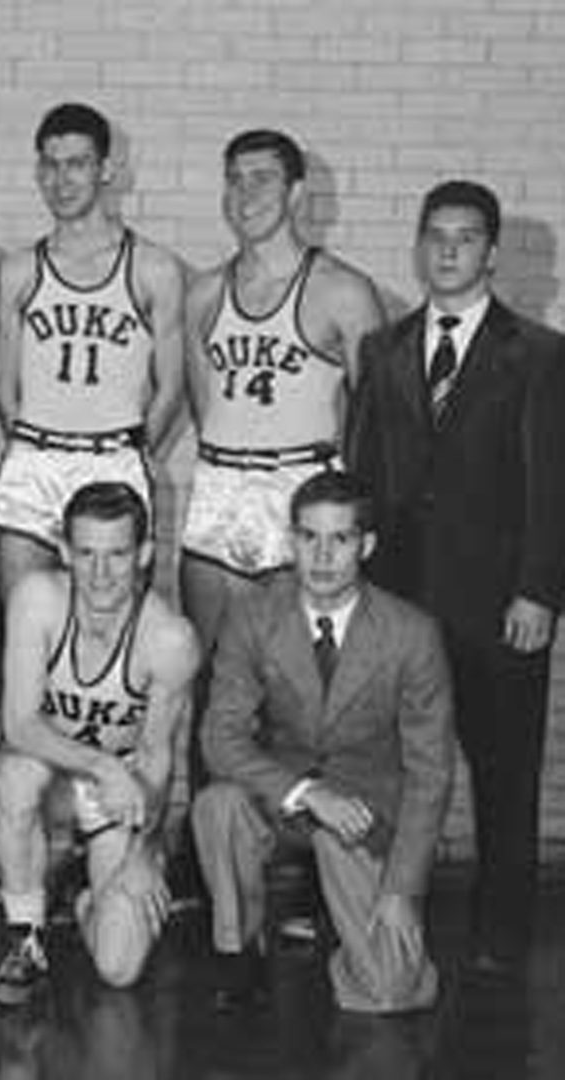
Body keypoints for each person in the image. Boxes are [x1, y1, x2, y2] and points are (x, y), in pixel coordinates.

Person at [346, 179, 565, 980]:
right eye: (435, 235)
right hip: (402, 601)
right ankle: (385, 912)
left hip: (501, 606)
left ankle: (502, 929)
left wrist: (540, 591)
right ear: (417, 244)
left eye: (466, 238)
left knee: (504, 771)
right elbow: (362, 473)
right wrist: (356, 594)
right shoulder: (384, 349)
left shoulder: (540, 355)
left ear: (492, 252)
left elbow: (553, 489)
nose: (447, 250)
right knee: (395, 767)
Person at [194, 470, 454, 1013]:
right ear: (291, 541)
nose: (322, 555)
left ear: (368, 545)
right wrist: (307, 793)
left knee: (389, 992)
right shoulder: (254, 615)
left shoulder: (412, 633)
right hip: (283, 800)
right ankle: (239, 947)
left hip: (365, 816)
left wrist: (401, 890)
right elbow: (220, 738)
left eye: (340, 539)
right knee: (218, 806)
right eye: (309, 537)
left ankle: (349, 936)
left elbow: (431, 774)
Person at [0, 481, 200, 1006]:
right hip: (57, 773)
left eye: (118, 555)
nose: (100, 574)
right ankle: (26, 937)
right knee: (14, 775)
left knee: (119, 969)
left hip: (120, 794)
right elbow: (20, 724)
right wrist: (103, 765)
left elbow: (157, 758)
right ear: (63, 551)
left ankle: (83, 894)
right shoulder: (37, 599)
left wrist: (146, 851)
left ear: (144, 554)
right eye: (86, 554)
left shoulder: (169, 639)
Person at [181, 129, 384, 647]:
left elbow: (377, 422)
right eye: (234, 181)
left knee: (290, 676)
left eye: (262, 179)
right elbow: (205, 409)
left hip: (300, 485)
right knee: (208, 668)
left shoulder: (343, 291)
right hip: (220, 486)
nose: (245, 194)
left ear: (295, 193)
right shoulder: (204, 294)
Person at [0, 101, 183, 601]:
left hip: (113, 457)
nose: (62, 180)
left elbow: (172, 388)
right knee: (21, 623)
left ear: (106, 170)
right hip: (35, 459)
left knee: (114, 633)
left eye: (76, 163)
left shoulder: (153, 267)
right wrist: (37, 446)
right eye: (50, 165)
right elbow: (4, 388)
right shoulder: (19, 270)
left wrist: (131, 452)